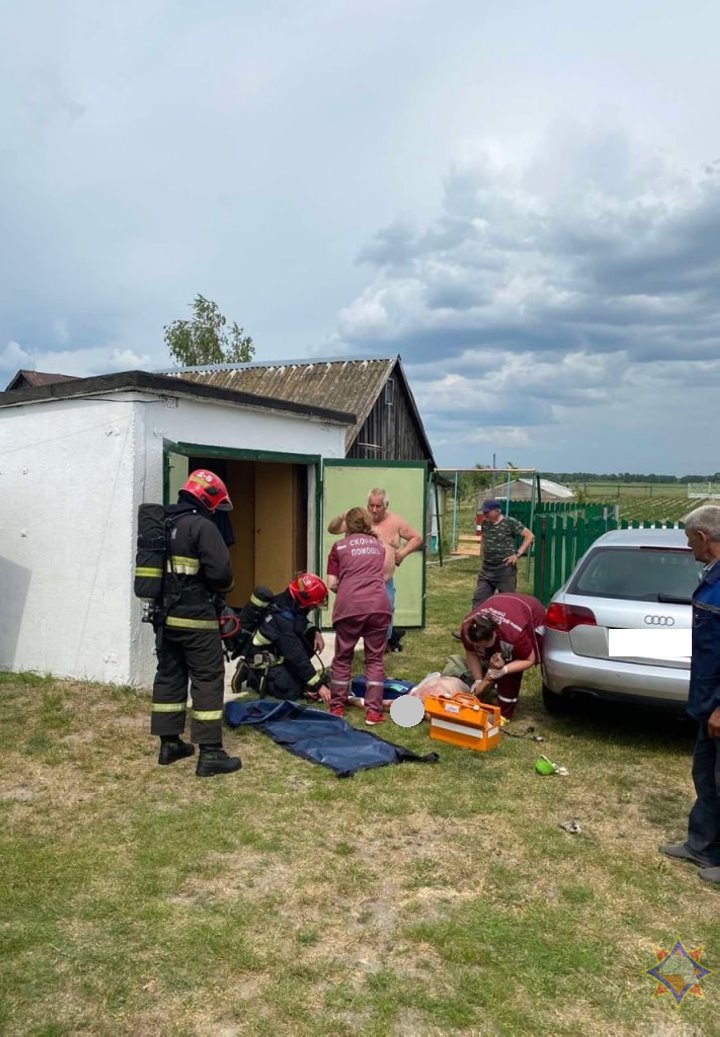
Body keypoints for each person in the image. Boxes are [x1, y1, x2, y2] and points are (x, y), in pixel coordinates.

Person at [151, 469, 242, 778]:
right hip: (197, 619)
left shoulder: (163, 523)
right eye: (215, 504)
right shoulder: (202, 526)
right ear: (208, 499)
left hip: (165, 619)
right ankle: (211, 753)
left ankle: (169, 744)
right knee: (207, 678)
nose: (216, 511)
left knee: (169, 676)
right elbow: (221, 575)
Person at [660, 504, 720, 884]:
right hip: (706, 699)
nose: (688, 547)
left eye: (688, 540)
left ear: (702, 537)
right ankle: (702, 845)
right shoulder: (712, 575)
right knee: (706, 775)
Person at [327, 488, 423, 648]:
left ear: (386, 505)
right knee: (353, 616)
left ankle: (382, 646)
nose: (374, 510)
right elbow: (332, 529)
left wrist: (401, 554)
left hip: (383, 580)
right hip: (355, 581)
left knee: (386, 612)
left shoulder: (395, 521)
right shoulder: (359, 519)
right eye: (371, 505)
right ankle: (350, 646)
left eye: (378, 506)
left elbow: (417, 538)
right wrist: (342, 516)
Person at [326, 506, 392, 724]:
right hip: (377, 605)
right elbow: (382, 574)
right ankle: (373, 713)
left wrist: (346, 591)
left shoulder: (338, 547)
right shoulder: (379, 546)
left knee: (343, 657)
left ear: (348, 525)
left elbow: (332, 583)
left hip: (349, 608)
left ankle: (337, 707)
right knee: (374, 659)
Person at [247, 573, 332, 703]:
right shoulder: (282, 619)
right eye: (313, 605)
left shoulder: (290, 602)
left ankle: (288, 672)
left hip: (279, 650)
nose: (313, 608)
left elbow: (301, 622)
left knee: (308, 638)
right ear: (305, 600)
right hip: (262, 659)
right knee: (292, 691)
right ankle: (251, 675)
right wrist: (318, 685)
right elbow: (297, 655)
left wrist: (315, 631)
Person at [460, 592, 546, 719]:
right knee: (489, 660)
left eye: (485, 644)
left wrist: (504, 670)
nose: (481, 648)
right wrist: (478, 680)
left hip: (530, 610)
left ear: (494, 633)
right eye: (478, 645)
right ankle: (490, 688)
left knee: (510, 666)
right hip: (500, 602)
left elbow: (529, 659)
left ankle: (505, 706)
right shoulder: (467, 629)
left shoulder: (514, 635)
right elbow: (471, 653)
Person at [471, 500, 534, 608]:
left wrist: (517, 554)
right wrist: (483, 554)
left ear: (497, 511)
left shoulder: (510, 522)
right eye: (484, 512)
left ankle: (508, 623)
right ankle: (476, 623)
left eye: (487, 512)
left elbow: (529, 536)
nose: (485, 514)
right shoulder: (485, 523)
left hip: (505, 568)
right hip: (487, 569)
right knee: (479, 599)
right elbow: (484, 538)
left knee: (507, 602)